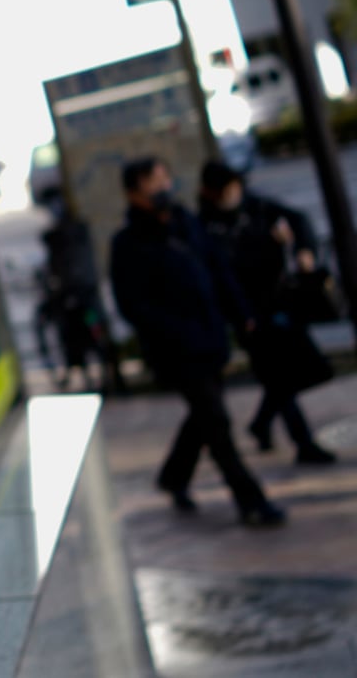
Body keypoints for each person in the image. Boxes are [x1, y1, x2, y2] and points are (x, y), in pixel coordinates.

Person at [109, 157, 286, 527]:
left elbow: (218, 269)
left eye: (164, 178)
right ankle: (250, 500)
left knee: (204, 417)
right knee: (216, 422)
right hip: (176, 350)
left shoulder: (185, 222)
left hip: (210, 338)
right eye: (151, 182)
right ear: (133, 193)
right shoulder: (127, 244)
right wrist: (172, 330)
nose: (161, 187)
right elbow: (132, 304)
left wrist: (241, 315)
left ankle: (174, 476)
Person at [197, 160, 336, 464]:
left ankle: (261, 423)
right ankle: (303, 442)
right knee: (278, 377)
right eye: (227, 189)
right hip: (246, 313)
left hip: (279, 301)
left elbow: (299, 221)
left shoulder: (257, 207)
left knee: (307, 371)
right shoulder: (204, 226)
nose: (234, 193)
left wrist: (303, 249)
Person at [39, 188, 127, 394]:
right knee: (81, 332)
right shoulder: (62, 235)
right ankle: (99, 374)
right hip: (82, 294)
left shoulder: (66, 235)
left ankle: (104, 374)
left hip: (82, 295)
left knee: (88, 331)